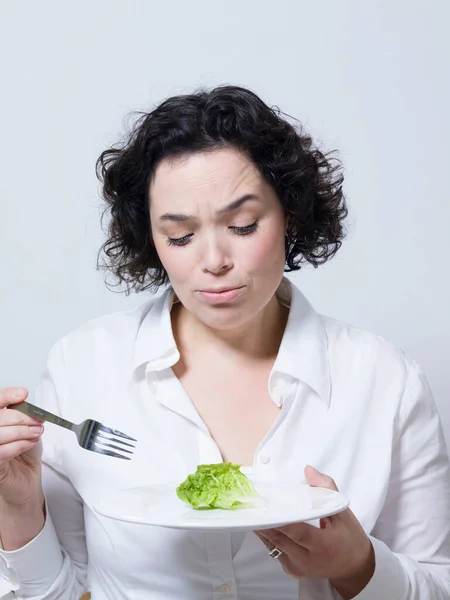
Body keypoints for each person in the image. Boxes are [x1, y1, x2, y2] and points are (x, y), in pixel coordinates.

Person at [0, 85, 449, 600]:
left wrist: (357, 565)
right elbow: (59, 592)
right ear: (151, 238)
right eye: (181, 236)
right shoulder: (83, 365)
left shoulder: (385, 380)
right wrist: (16, 505)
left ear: (291, 216)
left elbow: (437, 582)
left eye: (242, 224)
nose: (213, 260)